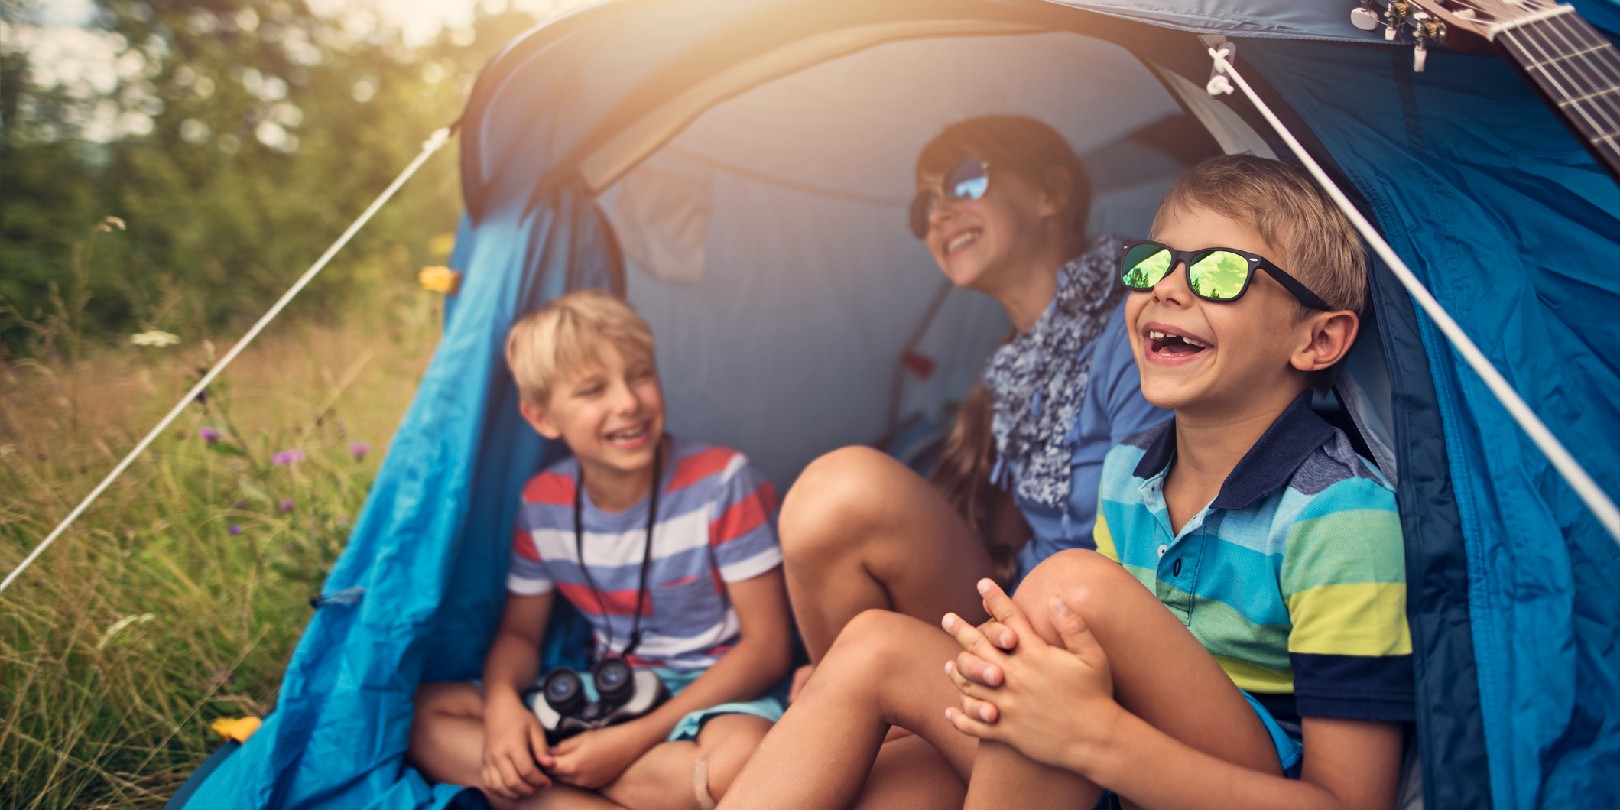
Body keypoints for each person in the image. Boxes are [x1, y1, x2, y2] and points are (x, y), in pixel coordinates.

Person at [722, 155, 1410, 809]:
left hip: (1199, 777)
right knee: (875, 647)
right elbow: (1096, 667)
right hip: (1103, 755)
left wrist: (1093, 738)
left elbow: (1348, 801)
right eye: (1152, 264)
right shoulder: (1129, 473)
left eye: (1221, 273)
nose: (1167, 287)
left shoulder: (1340, 514)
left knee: (1065, 590)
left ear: (1318, 340)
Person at [771, 114, 1167, 805]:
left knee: (842, 492)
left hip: (1104, 658)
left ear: (1050, 194)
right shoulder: (1010, 369)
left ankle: (876, 714)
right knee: (836, 499)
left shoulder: (1142, 322)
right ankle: (862, 709)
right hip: (1019, 610)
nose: (939, 213)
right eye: (923, 204)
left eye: (965, 179)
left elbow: (1159, 541)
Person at [409, 290, 794, 810]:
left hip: (714, 696)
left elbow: (767, 648)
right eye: (593, 389)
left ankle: (556, 792)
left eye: (639, 375)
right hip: (607, 692)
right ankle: (607, 787)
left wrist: (632, 742)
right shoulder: (543, 503)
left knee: (739, 765)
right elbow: (521, 633)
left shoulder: (724, 482)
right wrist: (502, 710)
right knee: (424, 713)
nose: (628, 401)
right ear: (543, 418)